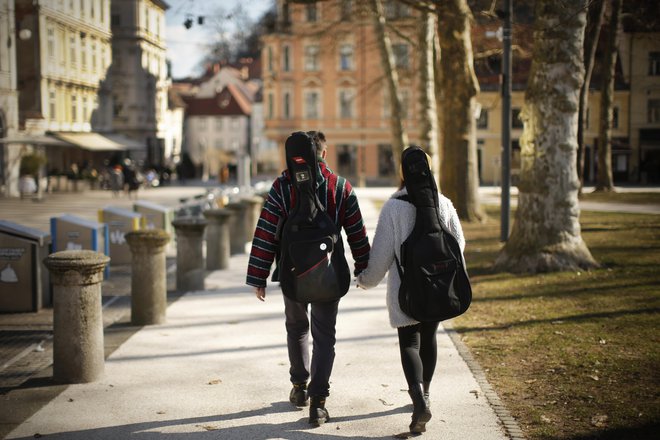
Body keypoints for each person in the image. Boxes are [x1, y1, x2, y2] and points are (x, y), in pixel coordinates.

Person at [246, 130, 370, 426]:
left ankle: (299, 387)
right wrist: (364, 269)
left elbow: (266, 231)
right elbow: (357, 233)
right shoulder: (340, 187)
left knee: (297, 328)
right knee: (325, 337)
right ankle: (318, 402)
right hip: (329, 274)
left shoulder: (281, 187)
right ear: (322, 155)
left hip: (292, 274)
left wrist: (259, 276)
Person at [356, 149, 465, 434]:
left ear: (402, 173)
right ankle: (426, 394)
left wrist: (366, 281)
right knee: (428, 337)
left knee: (409, 342)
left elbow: (380, 256)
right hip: (439, 287)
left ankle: (418, 400)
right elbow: (459, 245)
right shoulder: (443, 204)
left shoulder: (394, 207)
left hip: (406, 291)